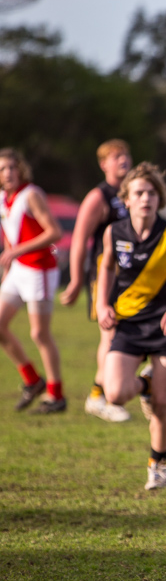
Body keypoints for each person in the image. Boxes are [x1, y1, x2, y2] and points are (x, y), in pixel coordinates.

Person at [95, 162, 166, 490]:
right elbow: (107, 268)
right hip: (128, 324)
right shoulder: (114, 232)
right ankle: (145, 384)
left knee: (163, 404)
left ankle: (158, 464)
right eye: (139, 193)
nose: (146, 198)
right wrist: (102, 303)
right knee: (113, 394)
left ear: (160, 199)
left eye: (152, 193)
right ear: (126, 199)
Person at [60, 139, 133, 422]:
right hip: (105, 275)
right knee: (111, 336)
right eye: (116, 156)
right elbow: (79, 241)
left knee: (127, 337)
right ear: (104, 164)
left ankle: (111, 391)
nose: (123, 160)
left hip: (131, 279)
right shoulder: (98, 197)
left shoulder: (133, 192)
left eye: (126, 155)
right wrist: (77, 280)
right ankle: (100, 397)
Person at [0, 148, 66, 413]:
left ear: (21, 169)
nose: (8, 173)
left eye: (12, 167)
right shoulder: (4, 198)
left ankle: (56, 395)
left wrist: (17, 250)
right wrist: (8, 266)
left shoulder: (31, 195)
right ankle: (32, 380)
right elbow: (9, 237)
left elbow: (54, 232)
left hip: (40, 269)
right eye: (3, 169)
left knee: (39, 333)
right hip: (17, 271)